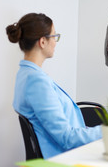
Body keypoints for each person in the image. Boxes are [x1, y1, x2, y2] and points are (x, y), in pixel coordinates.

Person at [6, 13, 102, 158]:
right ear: (42, 41)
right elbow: (67, 138)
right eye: (54, 36)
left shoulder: (25, 73)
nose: (55, 42)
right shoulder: (36, 81)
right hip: (64, 157)